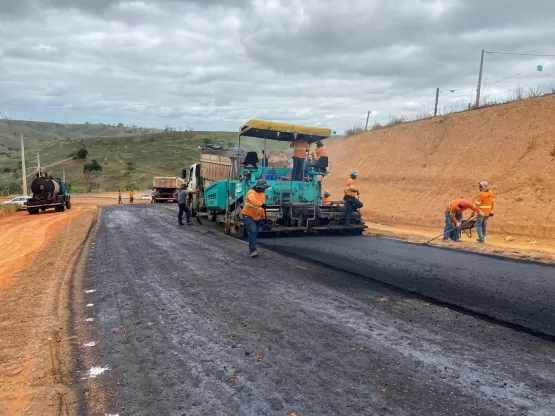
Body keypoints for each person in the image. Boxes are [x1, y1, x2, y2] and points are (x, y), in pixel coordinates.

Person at [242, 179, 270, 257]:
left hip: (257, 216)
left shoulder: (262, 194)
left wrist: (265, 220)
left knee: (254, 233)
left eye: (264, 188)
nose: (264, 190)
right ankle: (253, 250)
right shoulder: (251, 192)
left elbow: (262, 208)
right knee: (253, 230)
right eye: (263, 188)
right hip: (248, 215)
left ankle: (252, 248)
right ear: (259, 187)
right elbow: (253, 201)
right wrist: (261, 204)